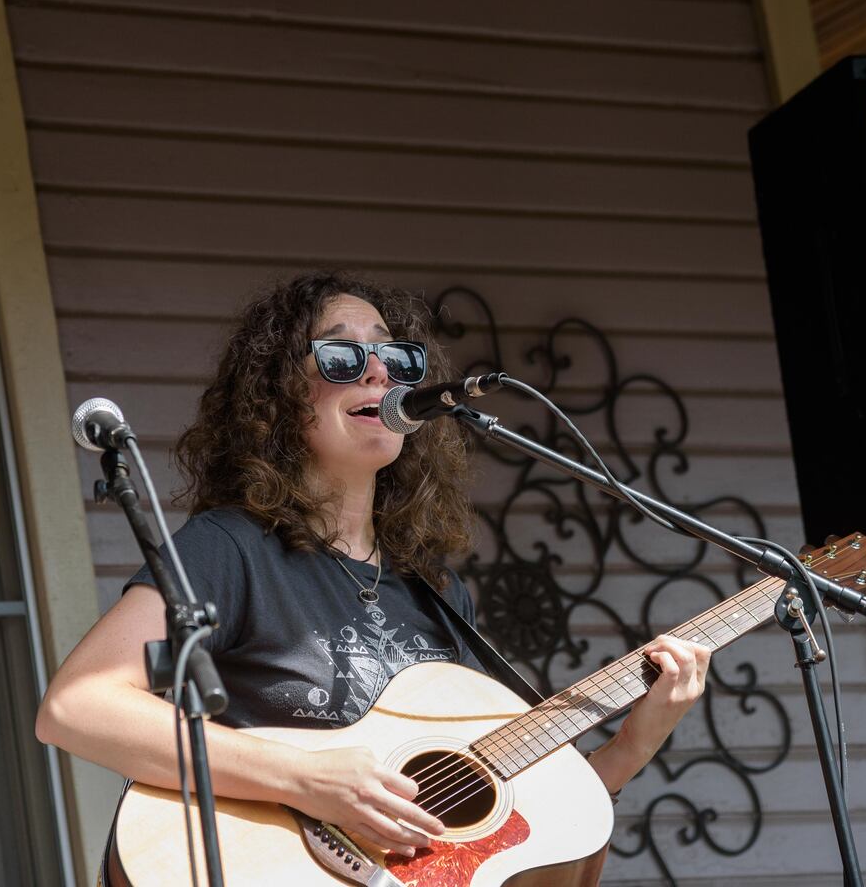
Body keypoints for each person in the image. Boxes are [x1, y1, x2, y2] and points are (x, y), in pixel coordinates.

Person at [35, 271, 711, 873]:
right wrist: (308, 779)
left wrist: (627, 751)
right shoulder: (232, 548)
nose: (377, 372)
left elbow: (497, 843)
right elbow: (77, 708)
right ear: (275, 396)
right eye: (341, 353)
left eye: (393, 354)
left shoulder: (437, 592)